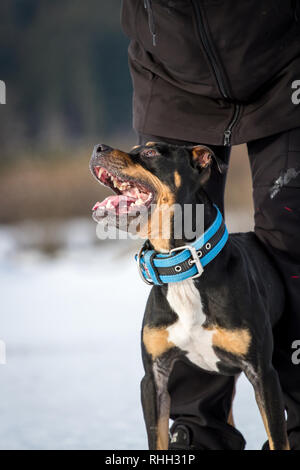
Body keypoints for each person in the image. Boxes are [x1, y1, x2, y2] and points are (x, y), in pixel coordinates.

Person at [121, 0, 300, 450]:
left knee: (291, 241)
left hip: (283, 58)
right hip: (171, 70)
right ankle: (196, 436)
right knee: (181, 243)